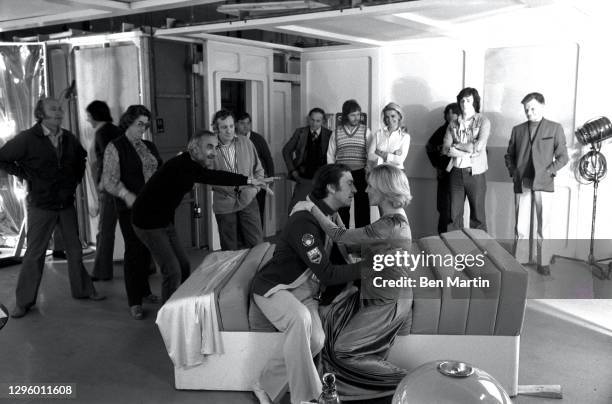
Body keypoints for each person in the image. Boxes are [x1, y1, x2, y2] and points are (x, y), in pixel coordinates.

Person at [292, 164, 413, 400]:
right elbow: (356, 245)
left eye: (370, 185)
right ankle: (330, 390)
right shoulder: (390, 220)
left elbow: (341, 237)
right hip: (374, 294)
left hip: (387, 302)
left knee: (343, 350)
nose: (365, 190)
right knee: (329, 322)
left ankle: (408, 380)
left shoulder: (390, 225)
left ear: (384, 190)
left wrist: (312, 209)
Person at [251, 164, 363, 404]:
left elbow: (345, 243)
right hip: (274, 288)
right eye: (349, 184)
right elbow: (327, 274)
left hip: (303, 290)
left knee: (316, 340)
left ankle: (263, 385)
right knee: (300, 319)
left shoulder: (330, 214)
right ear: (332, 188)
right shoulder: (304, 222)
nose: (355, 189)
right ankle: (310, 398)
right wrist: (369, 268)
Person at [132, 130, 273, 303]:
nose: (214, 152)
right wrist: (248, 180)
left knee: (183, 266)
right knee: (172, 270)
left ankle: (181, 304)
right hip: (147, 222)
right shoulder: (183, 166)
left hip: (163, 221)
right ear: (194, 149)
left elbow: (212, 175)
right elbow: (215, 176)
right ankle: (167, 314)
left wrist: (250, 181)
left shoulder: (190, 162)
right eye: (209, 147)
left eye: (215, 147)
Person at [0, 97, 104, 318]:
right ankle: (24, 302)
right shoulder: (28, 138)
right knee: (35, 253)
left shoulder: (68, 138)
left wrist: (73, 182)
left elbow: (81, 159)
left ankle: (84, 290)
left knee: (75, 250)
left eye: (59, 109)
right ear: (41, 114)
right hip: (41, 204)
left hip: (65, 203)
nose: (58, 112)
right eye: (53, 109)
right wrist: (26, 174)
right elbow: (3, 158)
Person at [101, 105, 160, 320]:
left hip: (151, 206)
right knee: (134, 251)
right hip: (130, 208)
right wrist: (126, 195)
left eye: (146, 125)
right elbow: (109, 180)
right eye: (139, 124)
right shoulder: (115, 147)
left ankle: (144, 291)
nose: (143, 129)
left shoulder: (149, 146)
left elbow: (159, 172)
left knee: (147, 249)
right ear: (128, 122)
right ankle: (134, 300)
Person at [504, 92, 568, 275]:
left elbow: (564, 157)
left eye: (532, 108)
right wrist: (513, 171)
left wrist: (549, 171)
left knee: (543, 225)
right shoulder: (518, 130)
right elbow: (509, 155)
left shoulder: (555, 128)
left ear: (542, 106)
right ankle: (520, 259)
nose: (529, 112)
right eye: (526, 109)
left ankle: (543, 261)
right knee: (520, 225)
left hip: (544, 183)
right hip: (522, 182)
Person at [211, 110, 265, 250]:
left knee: (256, 243)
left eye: (231, 126)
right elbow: (203, 174)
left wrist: (255, 190)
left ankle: (257, 272)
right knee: (229, 249)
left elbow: (259, 170)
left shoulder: (246, 142)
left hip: (248, 198)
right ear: (216, 129)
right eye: (224, 127)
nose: (229, 131)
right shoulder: (210, 147)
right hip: (224, 202)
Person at [443, 87, 491, 232]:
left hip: (474, 173)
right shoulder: (453, 124)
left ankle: (479, 252)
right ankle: (454, 250)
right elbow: (446, 148)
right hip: (456, 172)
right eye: (462, 100)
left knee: (478, 217)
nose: (464, 103)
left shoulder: (483, 121)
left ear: (475, 102)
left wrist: (457, 147)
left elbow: (478, 147)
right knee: (454, 216)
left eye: (468, 100)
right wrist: (466, 149)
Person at [86, 100, 121, 281]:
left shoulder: (102, 133)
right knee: (132, 229)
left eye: (89, 116)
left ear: (94, 116)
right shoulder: (115, 130)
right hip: (123, 186)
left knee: (105, 230)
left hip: (109, 188)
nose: (87, 120)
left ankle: (101, 271)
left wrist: (102, 183)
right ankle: (147, 265)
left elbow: (106, 161)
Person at [327, 99, 372, 228]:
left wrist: (368, 171)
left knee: (362, 207)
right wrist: (332, 174)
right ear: (345, 115)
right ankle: (343, 238)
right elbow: (330, 155)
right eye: (353, 115)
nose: (356, 118)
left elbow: (371, 153)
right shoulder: (336, 133)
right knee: (342, 206)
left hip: (361, 173)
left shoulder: (366, 131)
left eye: (358, 114)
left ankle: (362, 239)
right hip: (342, 174)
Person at [282, 107, 331, 211]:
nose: (314, 123)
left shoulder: (329, 134)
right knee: (296, 208)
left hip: (321, 180)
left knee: (321, 210)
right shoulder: (300, 132)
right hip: (303, 178)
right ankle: (295, 227)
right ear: (309, 119)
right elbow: (286, 151)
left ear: (323, 121)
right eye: (312, 120)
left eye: (318, 121)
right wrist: (292, 170)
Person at [236, 112, 274, 226]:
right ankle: (243, 240)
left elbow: (268, 159)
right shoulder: (232, 139)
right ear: (236, 124)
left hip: (259, 181)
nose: (246, 126)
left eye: (248, 123)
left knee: (258, 210)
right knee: (240, 211)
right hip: (240, 182)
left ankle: (258, 241)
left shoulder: (257, 138)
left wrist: (270, 178)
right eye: (242, 123)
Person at [426, 103, 460, 233]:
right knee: (443, 208)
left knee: (456, 210)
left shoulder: (465, 129)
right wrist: (438, 165)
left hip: (459, 174)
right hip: (444, 175)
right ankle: (442, 240)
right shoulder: (441, 130)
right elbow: (429, 147)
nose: (450, 116)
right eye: (448, 113)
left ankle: (455, 241)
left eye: (454, 113)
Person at [367, 102, 411, 170]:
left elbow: (400, 160)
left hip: (396, 172)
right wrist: (389, 157)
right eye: (387, 117)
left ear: (399, 116)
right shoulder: (378, 134)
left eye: (393, 116)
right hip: (379, 171)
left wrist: (381, 153)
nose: (390, 120)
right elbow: (370, 155)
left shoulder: (405, 137)